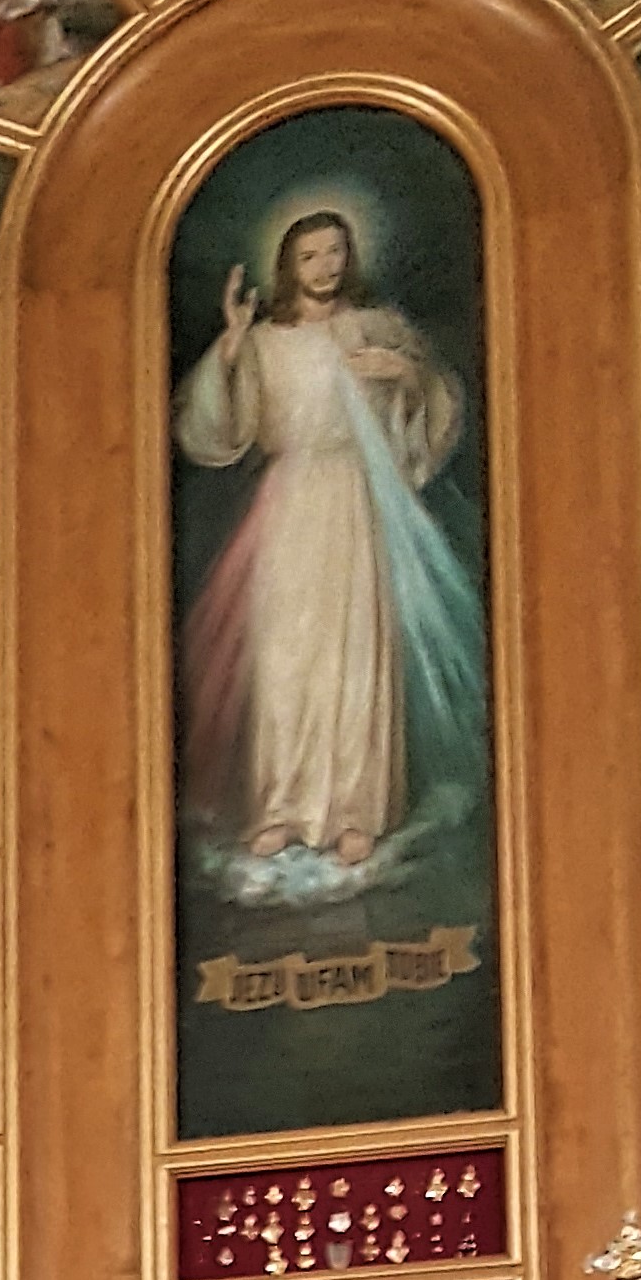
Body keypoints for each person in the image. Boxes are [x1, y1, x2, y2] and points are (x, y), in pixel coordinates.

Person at [175, 208, 477, 868]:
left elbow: (435, 407)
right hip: (288, 502)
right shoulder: (264, 341)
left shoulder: (378, 328)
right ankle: (280, 807)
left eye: (335, 251)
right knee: (285, 659)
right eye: (310, 255)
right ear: (289, 265)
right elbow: (215, 428)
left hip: (355, 498)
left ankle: (354, 811)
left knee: (355, 653)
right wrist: (231, 345)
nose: (325, 266)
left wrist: (406, 378)